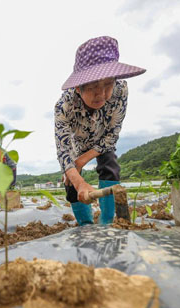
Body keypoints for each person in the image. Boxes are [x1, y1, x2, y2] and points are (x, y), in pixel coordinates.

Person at [55, 36, 146, 225]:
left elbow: (112, 134)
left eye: (107, 85)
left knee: (110, 166)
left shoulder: (120, 91)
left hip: (102, 140)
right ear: (78, 88)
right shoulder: (64, 106)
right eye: (94, 87)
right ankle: (85, 226)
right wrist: (78, 179)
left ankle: (108, 223)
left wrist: (84, 160)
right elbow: (63, 151)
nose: (102, 95)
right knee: (71, 183)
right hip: (76, 143)